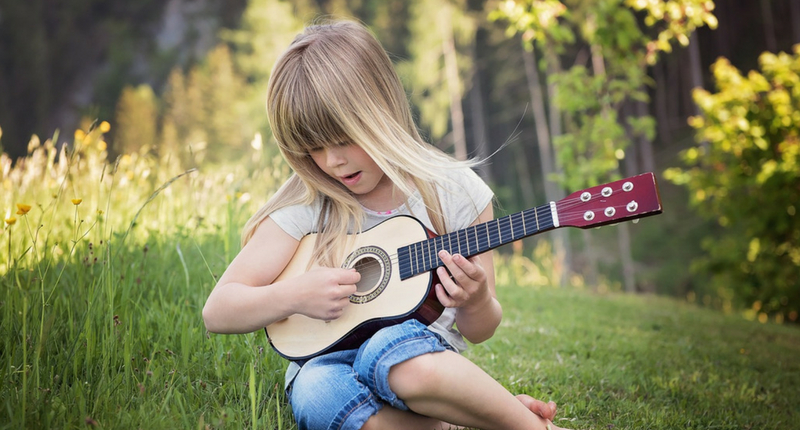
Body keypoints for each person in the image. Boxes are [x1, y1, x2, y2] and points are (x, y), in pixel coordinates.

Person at [202, 19, 571, 430]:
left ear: (380, 111)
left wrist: (476, 301)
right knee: (314, 393)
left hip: (418, 361)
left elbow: (481, 330)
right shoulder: (309, 202)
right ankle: (466, 422)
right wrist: (292, 295)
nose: (331, 162)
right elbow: (218, 311)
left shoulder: (454, 191)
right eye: (313, 148)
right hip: (326, 361)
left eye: (342, 139)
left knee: (388, 351)